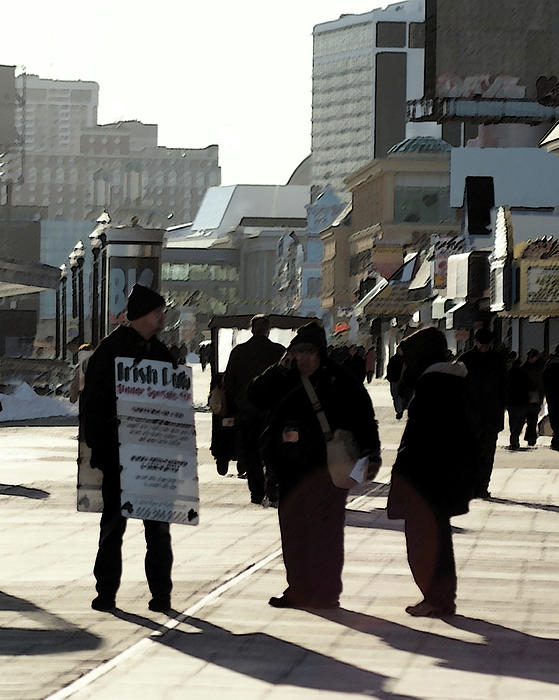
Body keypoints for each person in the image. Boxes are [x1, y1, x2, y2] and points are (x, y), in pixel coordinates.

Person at [248, 321, 381, 609]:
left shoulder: (340, 378)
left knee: (327, 533)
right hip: (289, 469)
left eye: (309, 351)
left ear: (320, 353)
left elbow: (364, 417)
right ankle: (298, 589)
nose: (303, 357)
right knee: (294, 532)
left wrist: (372, 452)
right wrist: (279, 370)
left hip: (328, 468)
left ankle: (327, 592)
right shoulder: (285, 376)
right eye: (298, 351)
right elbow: (254, 396)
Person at [82, 284, 176, 613]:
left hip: (153, 460)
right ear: (140, 316)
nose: (163, 317)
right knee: (113, 528)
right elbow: (92, 403)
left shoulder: (162, 353)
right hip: (119, 456)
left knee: (157, 530)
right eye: (157, 312)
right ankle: (106, 592)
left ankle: (161, 594)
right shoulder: (109, 352)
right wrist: (102, 445)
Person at [387, 327, 479, 618]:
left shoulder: (433, 384)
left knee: (425, 542)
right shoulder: (454, 379)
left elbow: (422, 437)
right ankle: (440, 598)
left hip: (426, 477)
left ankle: (436, 599)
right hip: (445, 475)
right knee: (437, 538)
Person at [224, 315, 285, 504]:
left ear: (252, 330)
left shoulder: (239, 352)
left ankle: (257, 492)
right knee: (274, 450)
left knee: (251, 452)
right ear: (268, 330)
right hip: (273, 412)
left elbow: (229, 382)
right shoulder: (279, 352)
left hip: (247, 411)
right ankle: (273, 486)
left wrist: (240, 401)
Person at [458, 328, 507, 499]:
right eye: (482, 344)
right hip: (469, 416)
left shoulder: (498, 360)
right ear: (476, 343)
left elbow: (504, 386)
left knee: (487, 454)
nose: (484, 347)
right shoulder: (465, 360)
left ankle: (482, 487)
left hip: (491, 416)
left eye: (487, 345)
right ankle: (471, 486)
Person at [521, 349, 545, 447]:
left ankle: (531, 436)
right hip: (533, 394)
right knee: (532, 417)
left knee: (532, 417)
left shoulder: (526, 367)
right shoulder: (540, 367)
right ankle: (531, 436)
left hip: (531, 394)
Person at [543, 345, 559, 451]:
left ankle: (556, 439)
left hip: (553, 396)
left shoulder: (550, 363)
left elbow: (544, 379)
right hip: (553, 395)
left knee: (555, 418)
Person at [386, 345, 408, 419]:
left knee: (402, 395)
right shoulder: (394, 359)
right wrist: (390, 378)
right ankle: (399, 410)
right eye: (399, 350)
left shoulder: (407, 359)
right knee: (395, 396)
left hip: (404, 381)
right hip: (395, 380)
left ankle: (401, 409)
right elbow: (389, 369)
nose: (401, 351)